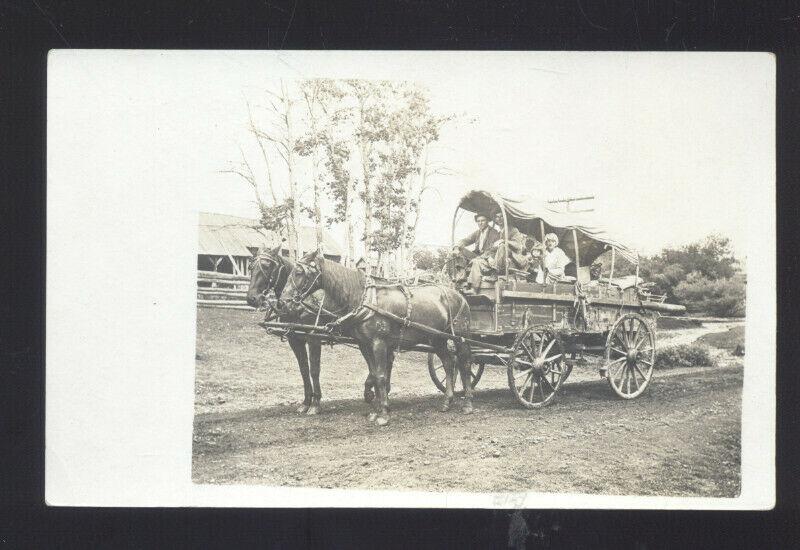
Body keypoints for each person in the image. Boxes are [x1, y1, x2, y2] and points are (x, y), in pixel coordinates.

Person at [466, 210, 529, 292]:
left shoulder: (513, 230)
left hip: (511, 261)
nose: (499, 219)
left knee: (502, 246)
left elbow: (518, 246)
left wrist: (504, 241)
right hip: (497, 261)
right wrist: (487, 257)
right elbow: (492, 249)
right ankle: (474, 288)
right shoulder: (497, 233)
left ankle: (495, 274)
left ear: (506, 218)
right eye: (497, 217)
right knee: (477, 262)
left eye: (501, 216)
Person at [450, 212, 500, 286]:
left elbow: (492, 250)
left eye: (483, 220)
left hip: (487, 258)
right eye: (478, 221)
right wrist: (457, 247)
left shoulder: (494, 233)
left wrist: (480, 257)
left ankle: (472, 283)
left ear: (487, 221)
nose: (480, 223)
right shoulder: (477, 233)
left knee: (477, 259)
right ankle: (462, 274)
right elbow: (466, 240)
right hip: (477, 256)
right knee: (459, 250)